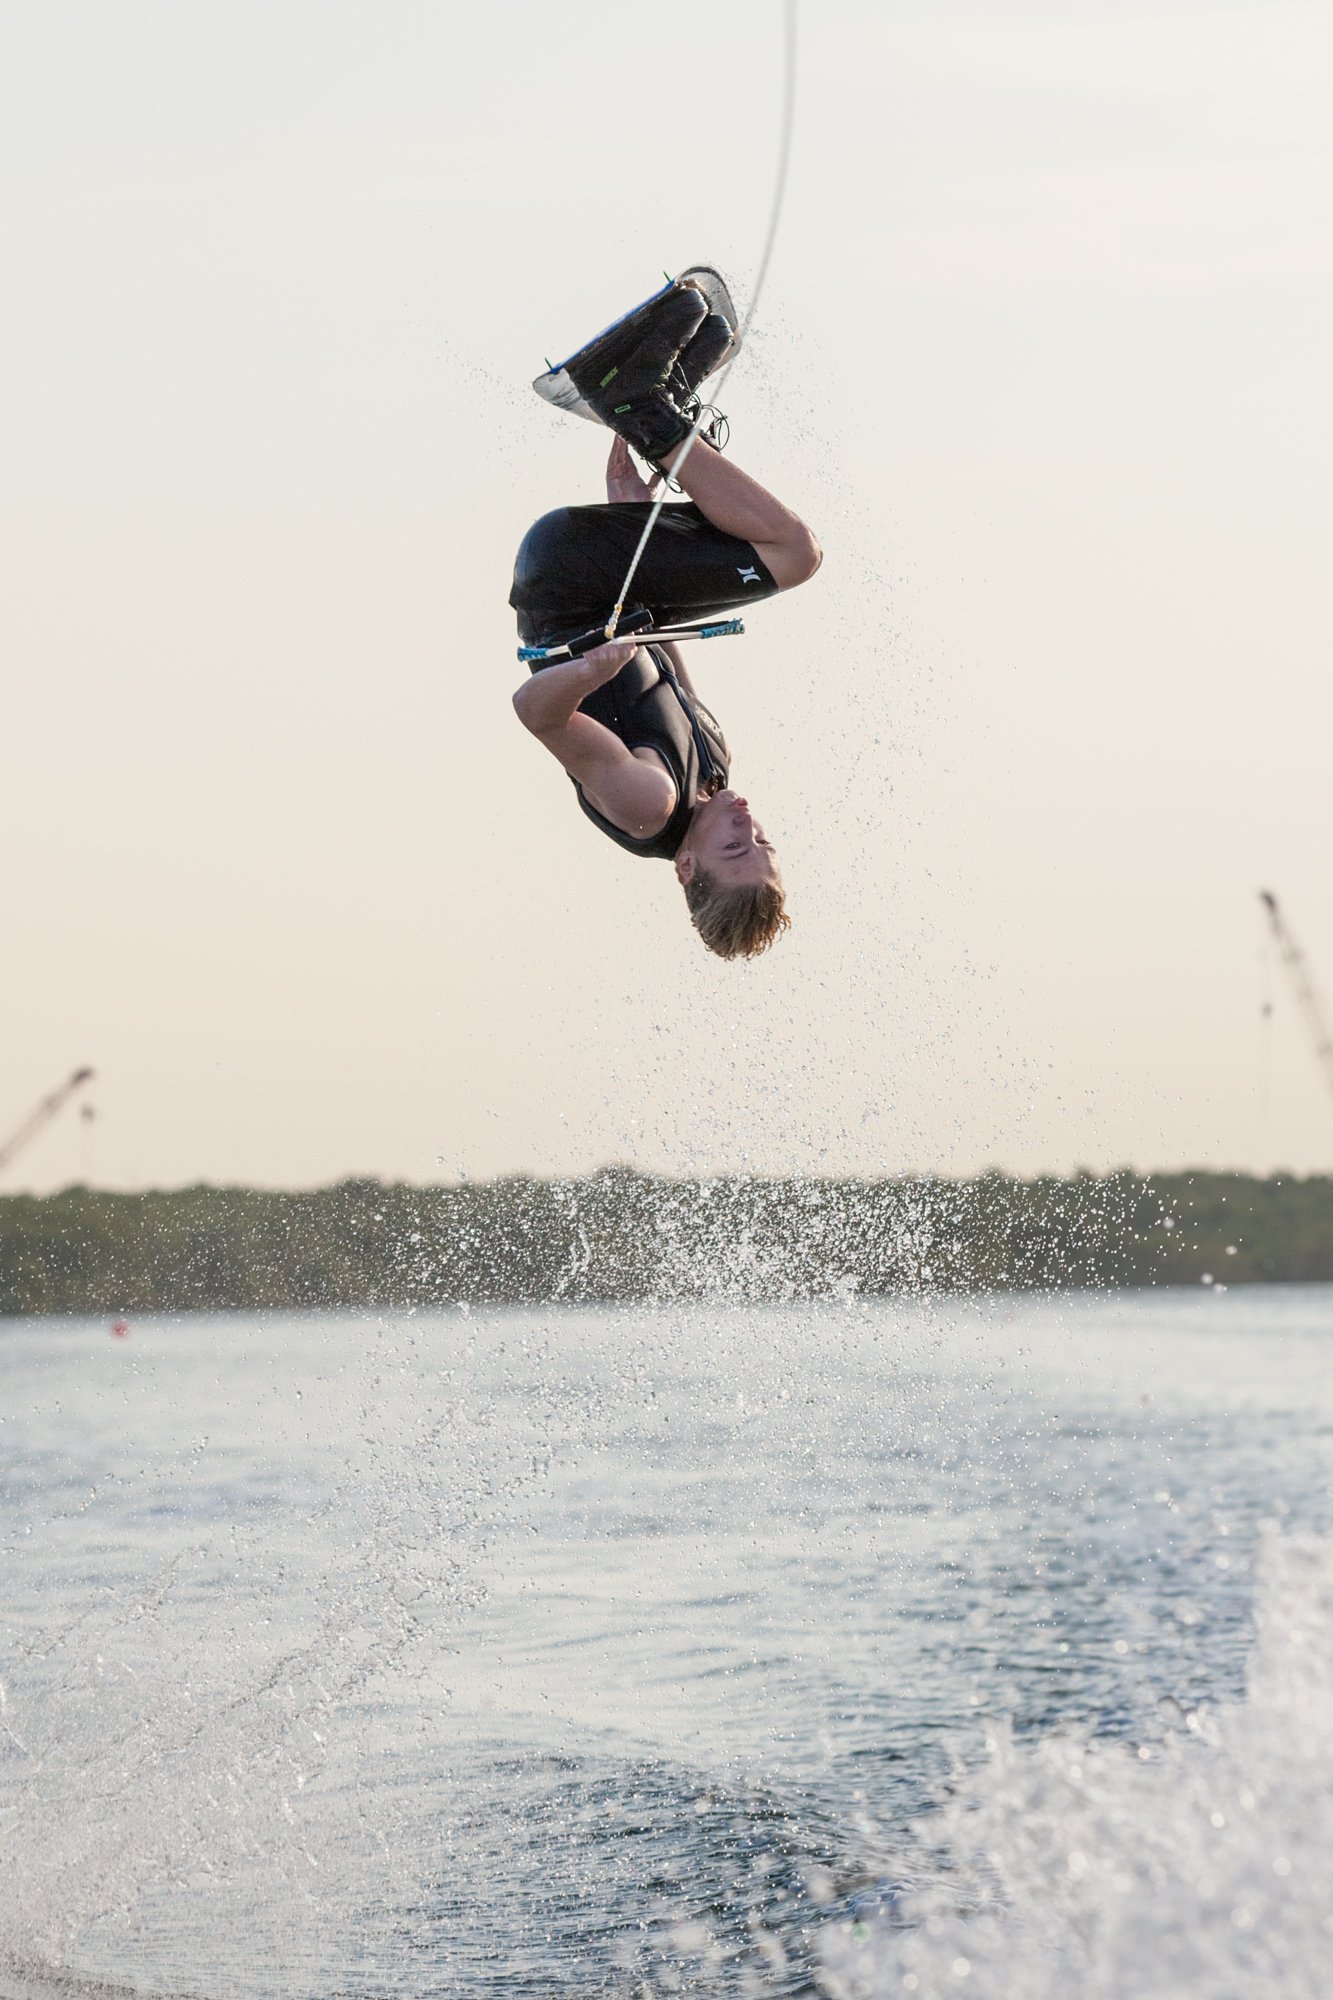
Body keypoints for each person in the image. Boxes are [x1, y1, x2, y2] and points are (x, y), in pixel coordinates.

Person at [510, 279, 822, 961]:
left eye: (734, 848)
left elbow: (536, 714)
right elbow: (664, 665)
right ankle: (655, 399)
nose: (747, 824)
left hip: (569, 578)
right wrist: (630, 507)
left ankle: (640, 402)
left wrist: (587, 670)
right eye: (762, 842)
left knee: (793, 555)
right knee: (775, 549)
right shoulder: (715, 772)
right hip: (609, 581)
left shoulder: (647, 804)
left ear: (687, 869)